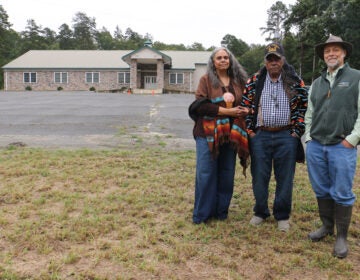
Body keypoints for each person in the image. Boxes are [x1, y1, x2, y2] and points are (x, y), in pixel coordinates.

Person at [241, 42, 308, 231]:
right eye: (269, 59)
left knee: (285, 177)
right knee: (259, 177)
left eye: (276, 58)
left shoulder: (295, 80)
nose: (273, 62)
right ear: (265, 61)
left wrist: (296, 132)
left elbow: (304, 106)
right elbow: (245, 106)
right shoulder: (254, 81)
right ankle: (260, 212)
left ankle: (282, 215)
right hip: (261, 135)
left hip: (287, 135)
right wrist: (251, 132)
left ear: (282, 60)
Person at [305, 34, 360, 258]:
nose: (331, 54)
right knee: (321, 188)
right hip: (317, 145)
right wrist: (308, 138)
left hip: (342, 145)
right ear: (323, 56)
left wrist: (352, 139)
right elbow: (309, 113)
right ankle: (327, 227)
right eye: (327, 51)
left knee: (342, 191)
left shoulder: (356, 78)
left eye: (336, 50)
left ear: (344, 53)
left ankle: (341, 237)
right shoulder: (317, 83)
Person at [188, 47, 249, 224]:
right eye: (219, 58)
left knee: (226, 173)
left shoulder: (239, 81)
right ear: (213, 62)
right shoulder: (206, 80)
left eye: (226, 57)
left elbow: (246, 102)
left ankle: (221, 212)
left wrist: (245, 110)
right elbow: (200, 106)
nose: (223, 60)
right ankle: (202, 215)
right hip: (207, 134)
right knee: (206, 173)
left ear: (230, 61)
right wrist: (225, 111)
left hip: (231, 134)